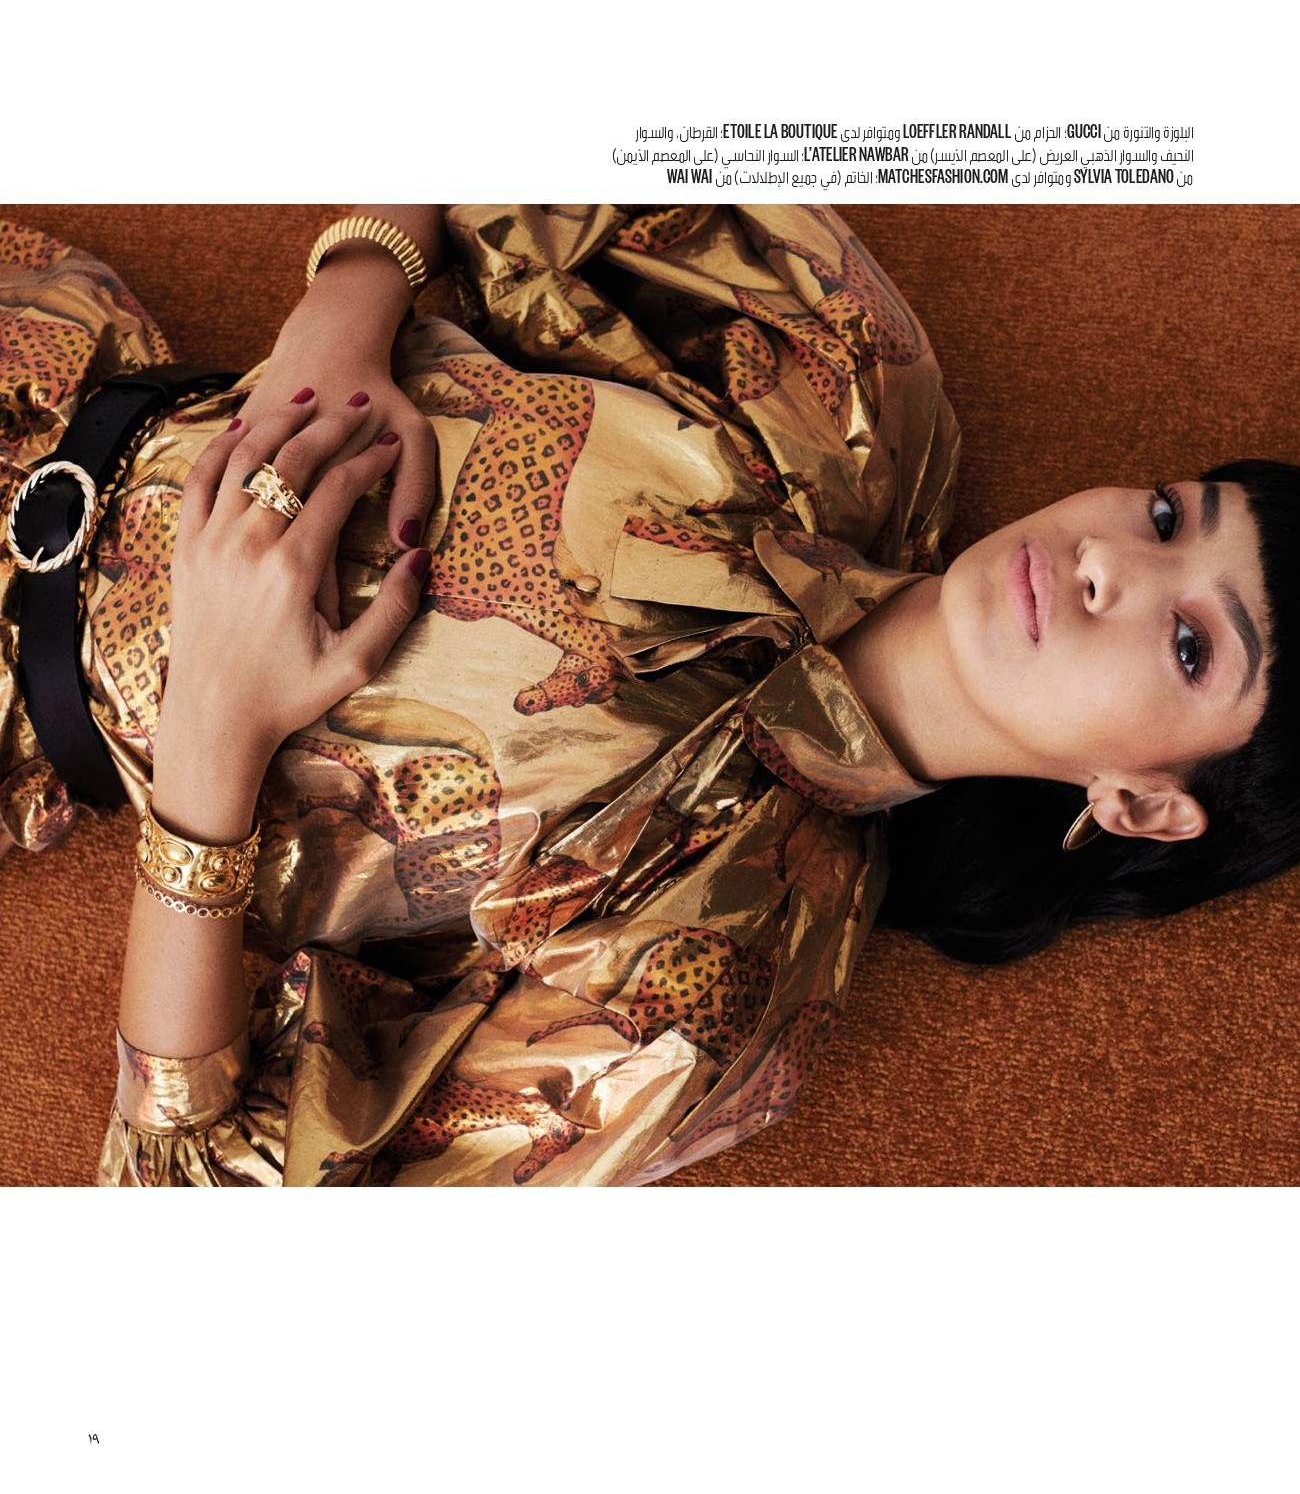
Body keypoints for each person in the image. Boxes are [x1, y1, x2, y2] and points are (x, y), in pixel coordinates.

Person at [0, 205, 1295, 1186]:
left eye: (1191, 645)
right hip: (45, 340)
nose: (1110, 564)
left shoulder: (712, 974)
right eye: (1167, 514)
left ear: (1143, 804)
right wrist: (348, 300)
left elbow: (188, 1202)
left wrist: (212, 741)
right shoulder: (848, 384)